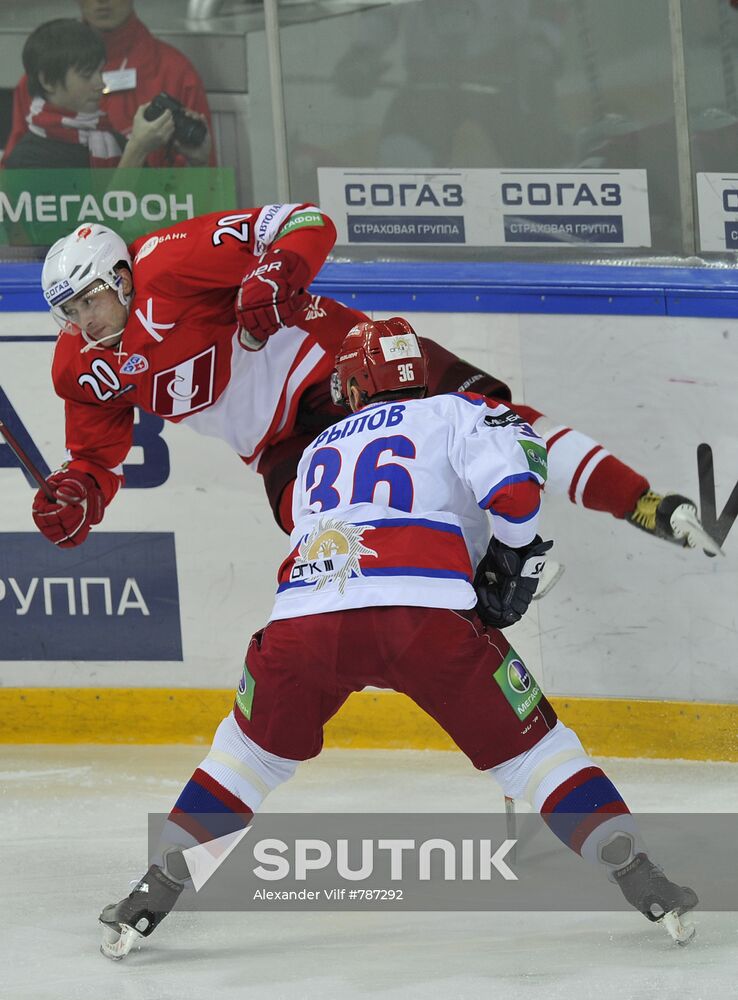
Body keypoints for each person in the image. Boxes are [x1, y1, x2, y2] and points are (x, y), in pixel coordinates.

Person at [97, 321, 697, 960]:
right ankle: (636, 872)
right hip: (425, 617)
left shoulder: (318, 449)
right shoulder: (456, 409)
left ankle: (156, 888)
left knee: (247, 757)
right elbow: (516, 491)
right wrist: (514, 555)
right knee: (536, 755)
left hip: (304, 618)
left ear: (353, 387)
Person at [31, 208, 718, 563]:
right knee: (336, 546)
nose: (83, 321)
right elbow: (95, 459)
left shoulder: (174, 260)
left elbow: (304, 223)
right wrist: (79, 496)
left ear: (121, 276)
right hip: (276, 446)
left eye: (89, 300)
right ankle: (487, 571)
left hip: (341, 362)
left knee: (494, 423)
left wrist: (277, 272)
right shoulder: (79, 367)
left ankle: (641, 501)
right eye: (69, 311)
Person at [2, 0, 213, 168]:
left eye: (100, 72)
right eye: (86, 75)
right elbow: (13, 191)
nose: (101, 1)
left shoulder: (175, 71)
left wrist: (198, 164)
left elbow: (196, 197)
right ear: (47, 82)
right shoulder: (41, 81)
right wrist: (137, 150)